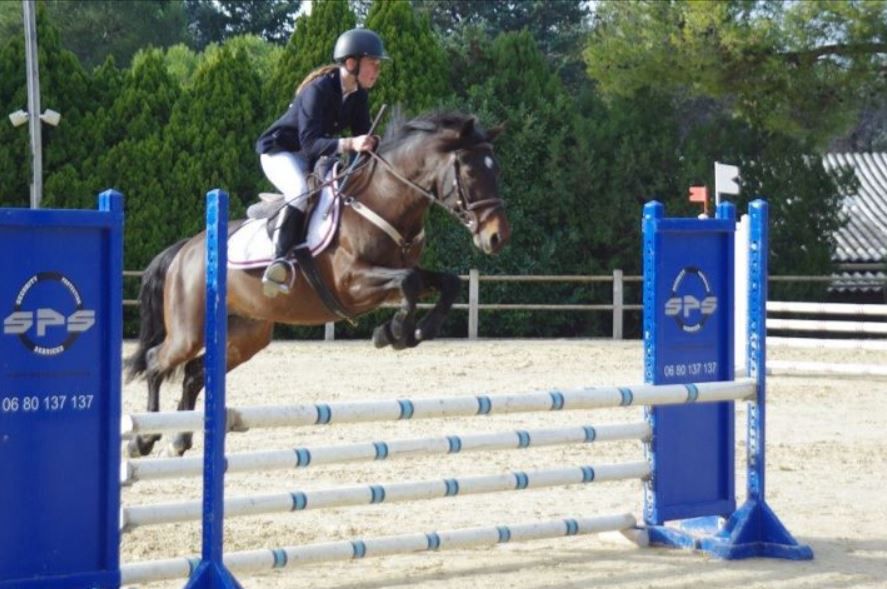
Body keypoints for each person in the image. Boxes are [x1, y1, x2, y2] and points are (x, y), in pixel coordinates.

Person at [255, 28, 388, 297]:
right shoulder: (317, 91)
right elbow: (310, 143)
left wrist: (372, 151)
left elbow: (362, 141)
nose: (377, 70)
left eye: (378, 64)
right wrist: (351, 143)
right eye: (372, 63)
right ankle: (278, 261)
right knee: (300, 191)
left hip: (311, 155)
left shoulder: (358, 95)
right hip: (279, 152)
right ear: (351, 63)